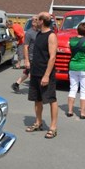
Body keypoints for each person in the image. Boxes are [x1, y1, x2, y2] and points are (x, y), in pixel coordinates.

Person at [25, 11, 58, 139]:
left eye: (37, 19)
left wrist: (46, 75)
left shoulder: (51, 36)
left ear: (42, 21)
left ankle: (53, 127)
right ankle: (38, 123)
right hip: (35, 72)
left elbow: (52, 57)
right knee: (37, 99)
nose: (35, 21)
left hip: (46, 73)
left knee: (51, 100)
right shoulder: (38, 34)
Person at [65, 22, 85, 119]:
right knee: (84, 91)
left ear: (77, 30)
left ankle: (70, 111)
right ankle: (83, 113)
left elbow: (71, 50)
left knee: (73, 88)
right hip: (84, 66)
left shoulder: (71, 40)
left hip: (73, 66)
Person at [11, 15, 39, 92]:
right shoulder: (29, 33)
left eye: (36, 19)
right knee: (32, 73)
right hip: (31, 56)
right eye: (34, 20)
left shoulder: (39, 32)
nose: (35, 21)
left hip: (37, 56)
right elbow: (25, 47)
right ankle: (35, 88)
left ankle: (16, 84)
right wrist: (27, 60)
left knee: (27, 72)